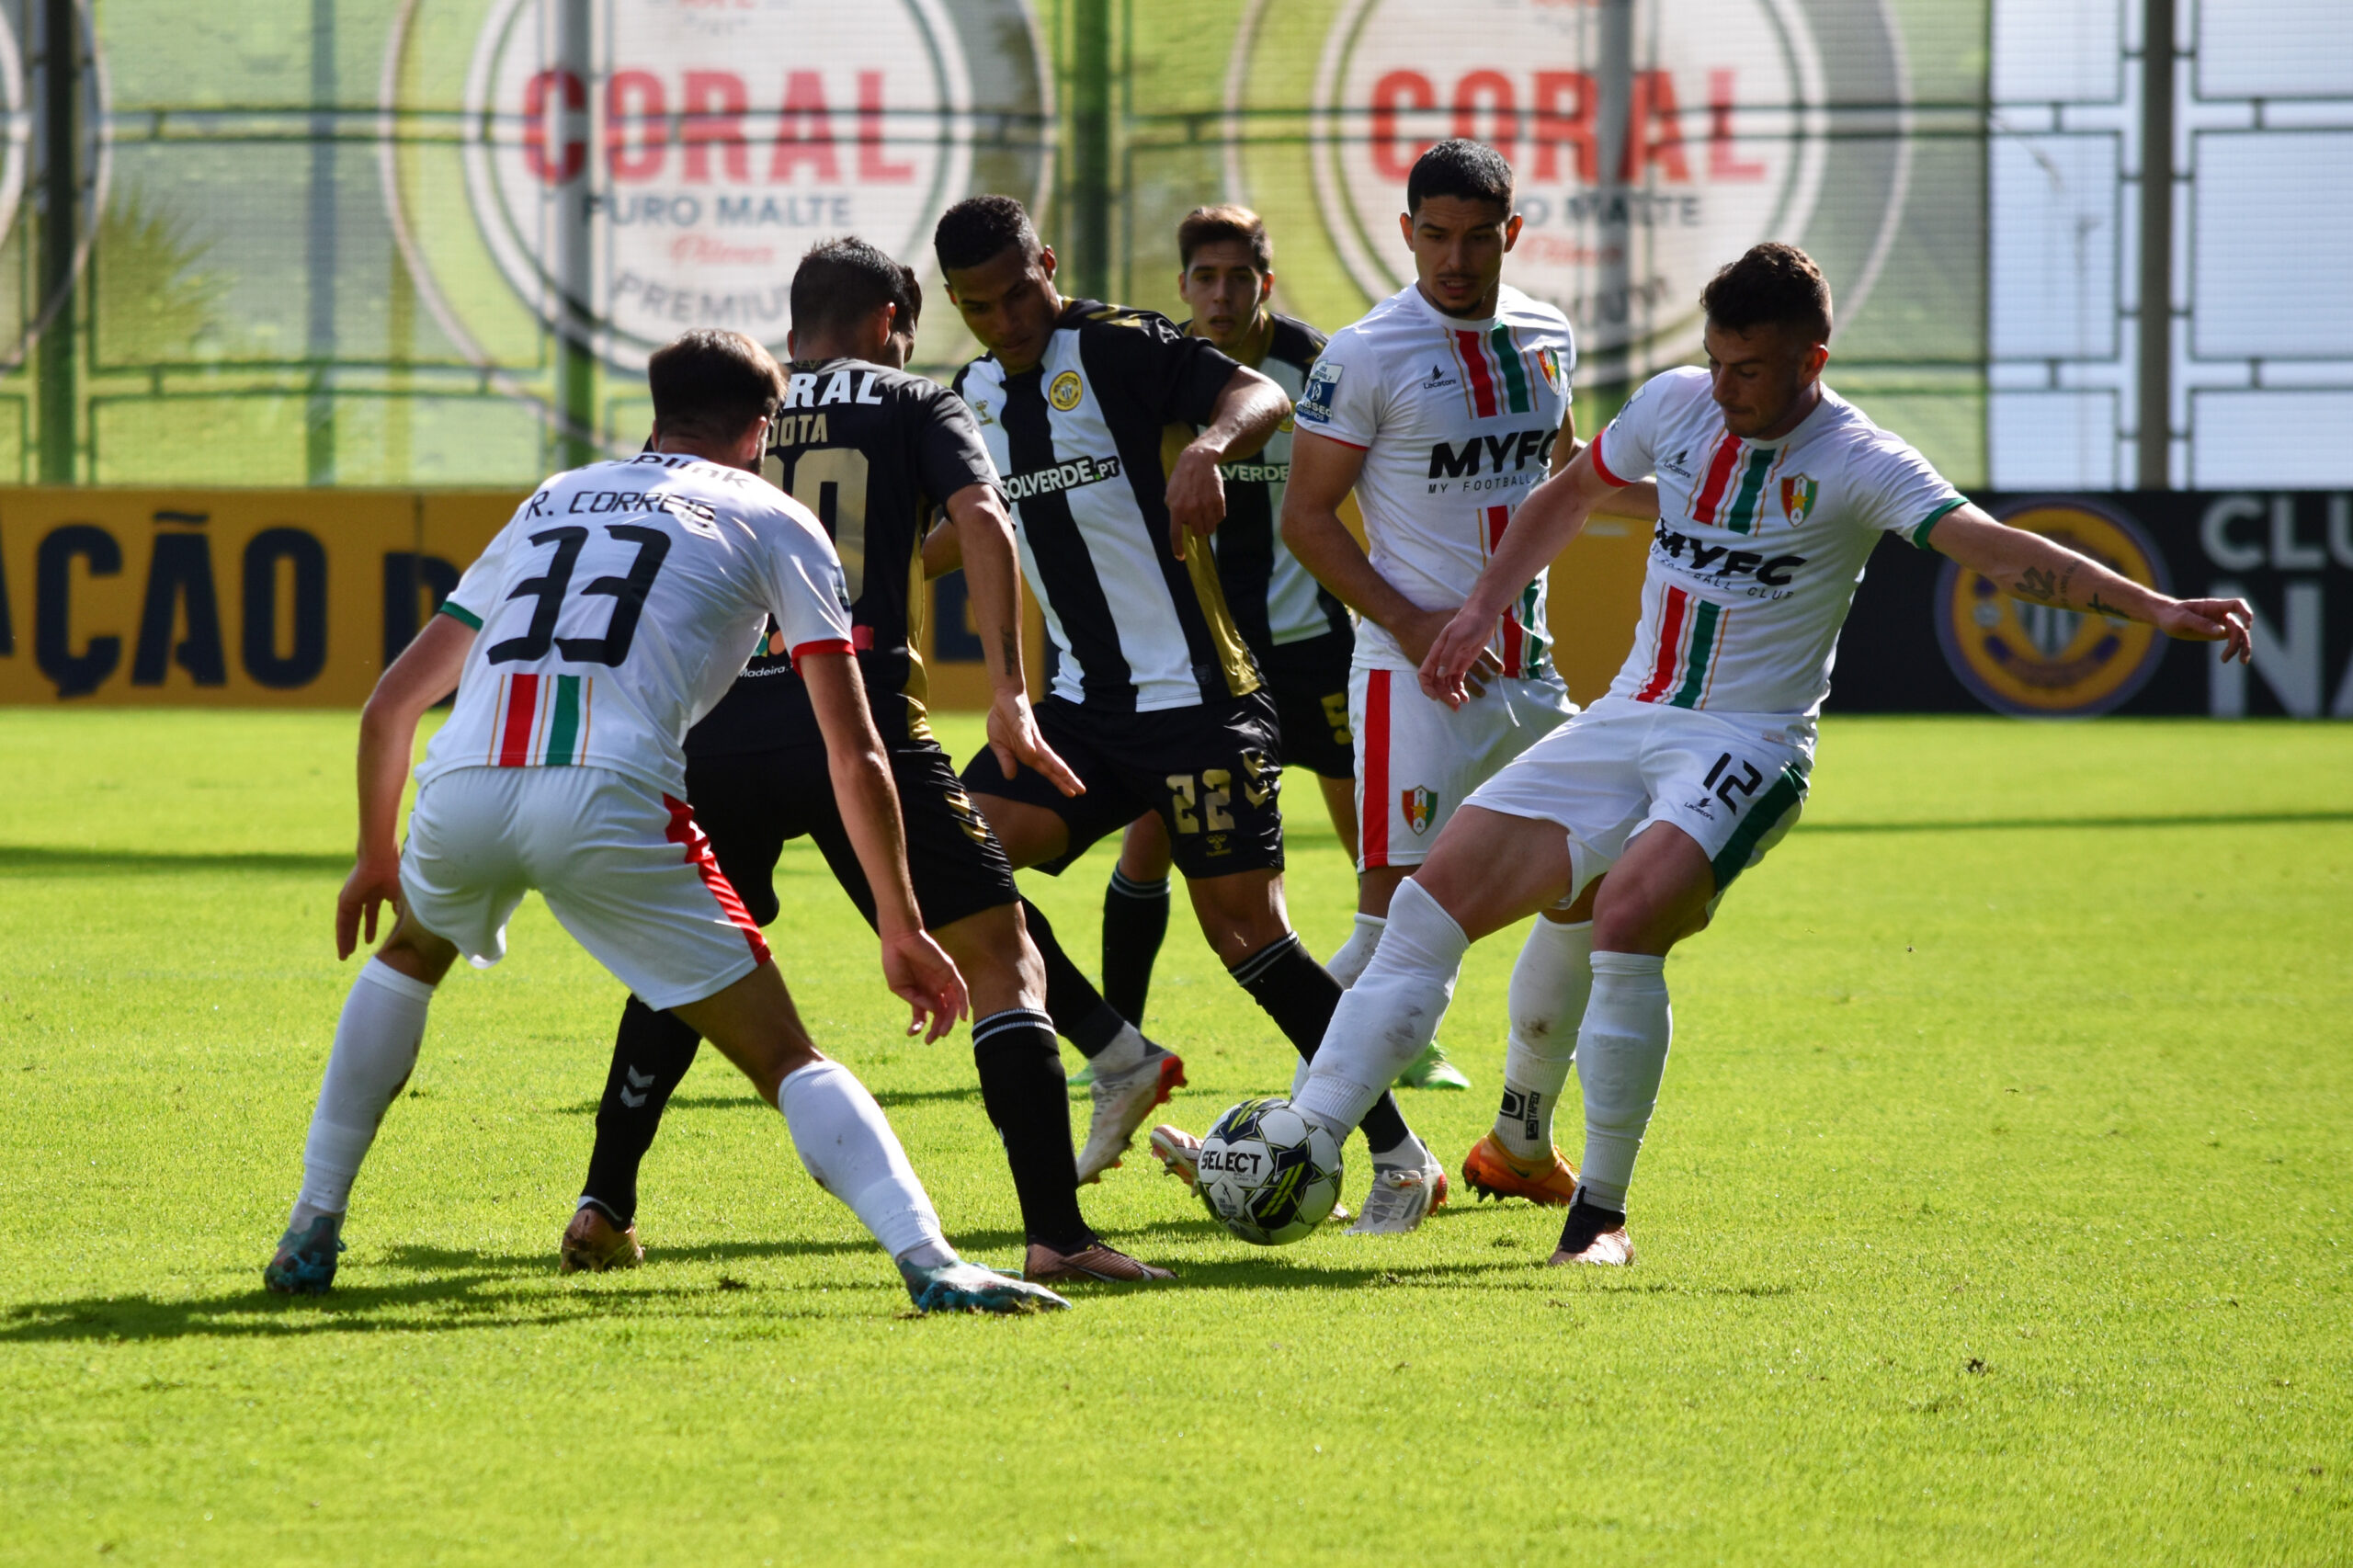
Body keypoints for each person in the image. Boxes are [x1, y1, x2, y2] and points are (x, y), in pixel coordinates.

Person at [1287, 242, 2255, 1264]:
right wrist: (1483, 604)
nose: (1724, 387)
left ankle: (1600, 1216)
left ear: (1811, 361)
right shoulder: (1673, 404)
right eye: (1713, 360)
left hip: (1747, 742)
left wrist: (2154, 607)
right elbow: (1565, 495)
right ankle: (1300, 1141)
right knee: (1426, 906)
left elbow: (1999, 553)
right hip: (1627, 715)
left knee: (1621, 919)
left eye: (1747, 369)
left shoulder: (1861, 460)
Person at [262, 327, 1068, 1315]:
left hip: (462, 783)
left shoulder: (552, 496)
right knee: (784, 1056)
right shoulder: (774, 518)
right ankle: (930, 1256)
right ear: (761, 426)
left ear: (656, 409)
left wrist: (373, 854)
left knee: (409, 954)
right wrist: (900, 924)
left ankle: (312, 1220)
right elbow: (853, 750)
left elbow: (392, 702)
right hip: (607, 794)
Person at [557, 243, 1172, 1287]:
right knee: (1000, 954)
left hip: (715, 725)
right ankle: (1058, 1234)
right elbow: (984, 518)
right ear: (892, 315)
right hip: (859, 721)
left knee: (688, 959)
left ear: (797, 324)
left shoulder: (738, 409)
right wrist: (1011, 691)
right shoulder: (911, 401)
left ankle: (604, 1201)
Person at [1152, 139, 1657, 1234]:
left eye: (1480, 238)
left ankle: (1520, 1137)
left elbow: (1561, 481)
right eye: (1437, 236)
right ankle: (1322, 1145)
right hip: (1411, 680)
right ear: (1407, 234)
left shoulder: (1546, 335)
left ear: (1511, 235)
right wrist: (1424, 621)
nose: (1458, 259)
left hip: (1528, 672)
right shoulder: (1368, 354)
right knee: (1395, 925)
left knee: (1591, 891)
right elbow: (1306, 519)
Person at [933, 194, 1434, 1190]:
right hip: (1081, 707)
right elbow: (968, 525)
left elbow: (1258, 395)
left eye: (1020, 292)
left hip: (1202, 699)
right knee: (949, 860)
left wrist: (1207, 447)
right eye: (979, 306)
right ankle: (1118, 1055)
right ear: (956, 305)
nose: (1008, 320)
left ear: (1050, 261)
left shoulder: (1116, 345)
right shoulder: (975, 391)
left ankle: (1398, 1154)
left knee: (1248, 933)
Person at [1083, 205, 1358, 1064]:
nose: (1223, 292)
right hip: (1200, 656)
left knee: (1379, 849)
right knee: (1149, 841)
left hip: (1311, 640)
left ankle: (1392, 1031)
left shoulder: (1316, 365)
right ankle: (1119, 1041)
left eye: (1241, 276)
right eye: (1207, 276)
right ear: (1183, 286)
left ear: (1265, 282)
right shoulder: (1165, 365)